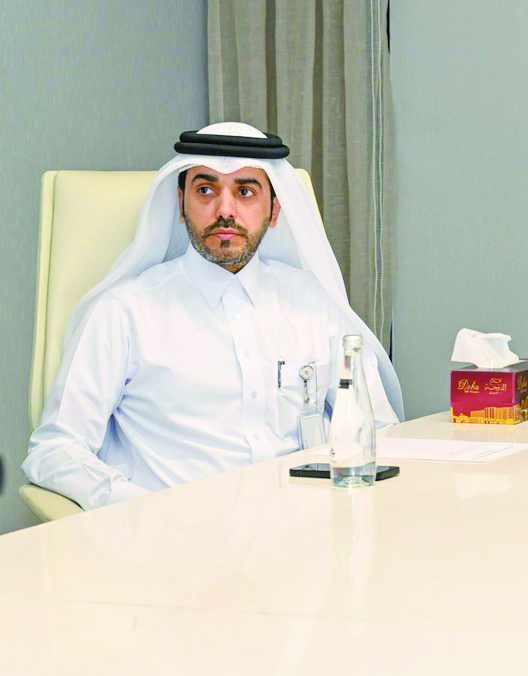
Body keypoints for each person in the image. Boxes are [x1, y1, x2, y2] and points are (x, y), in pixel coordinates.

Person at [23, 124, 404, 509]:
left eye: (245, 192)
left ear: (274, 211)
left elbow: (381, 434)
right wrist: (139, 509)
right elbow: (54, 449)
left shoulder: (313, 305)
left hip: (305, 539)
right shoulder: (125, 313)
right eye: (205, 190)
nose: (225, 210)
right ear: (180, 203)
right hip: (175, 547)